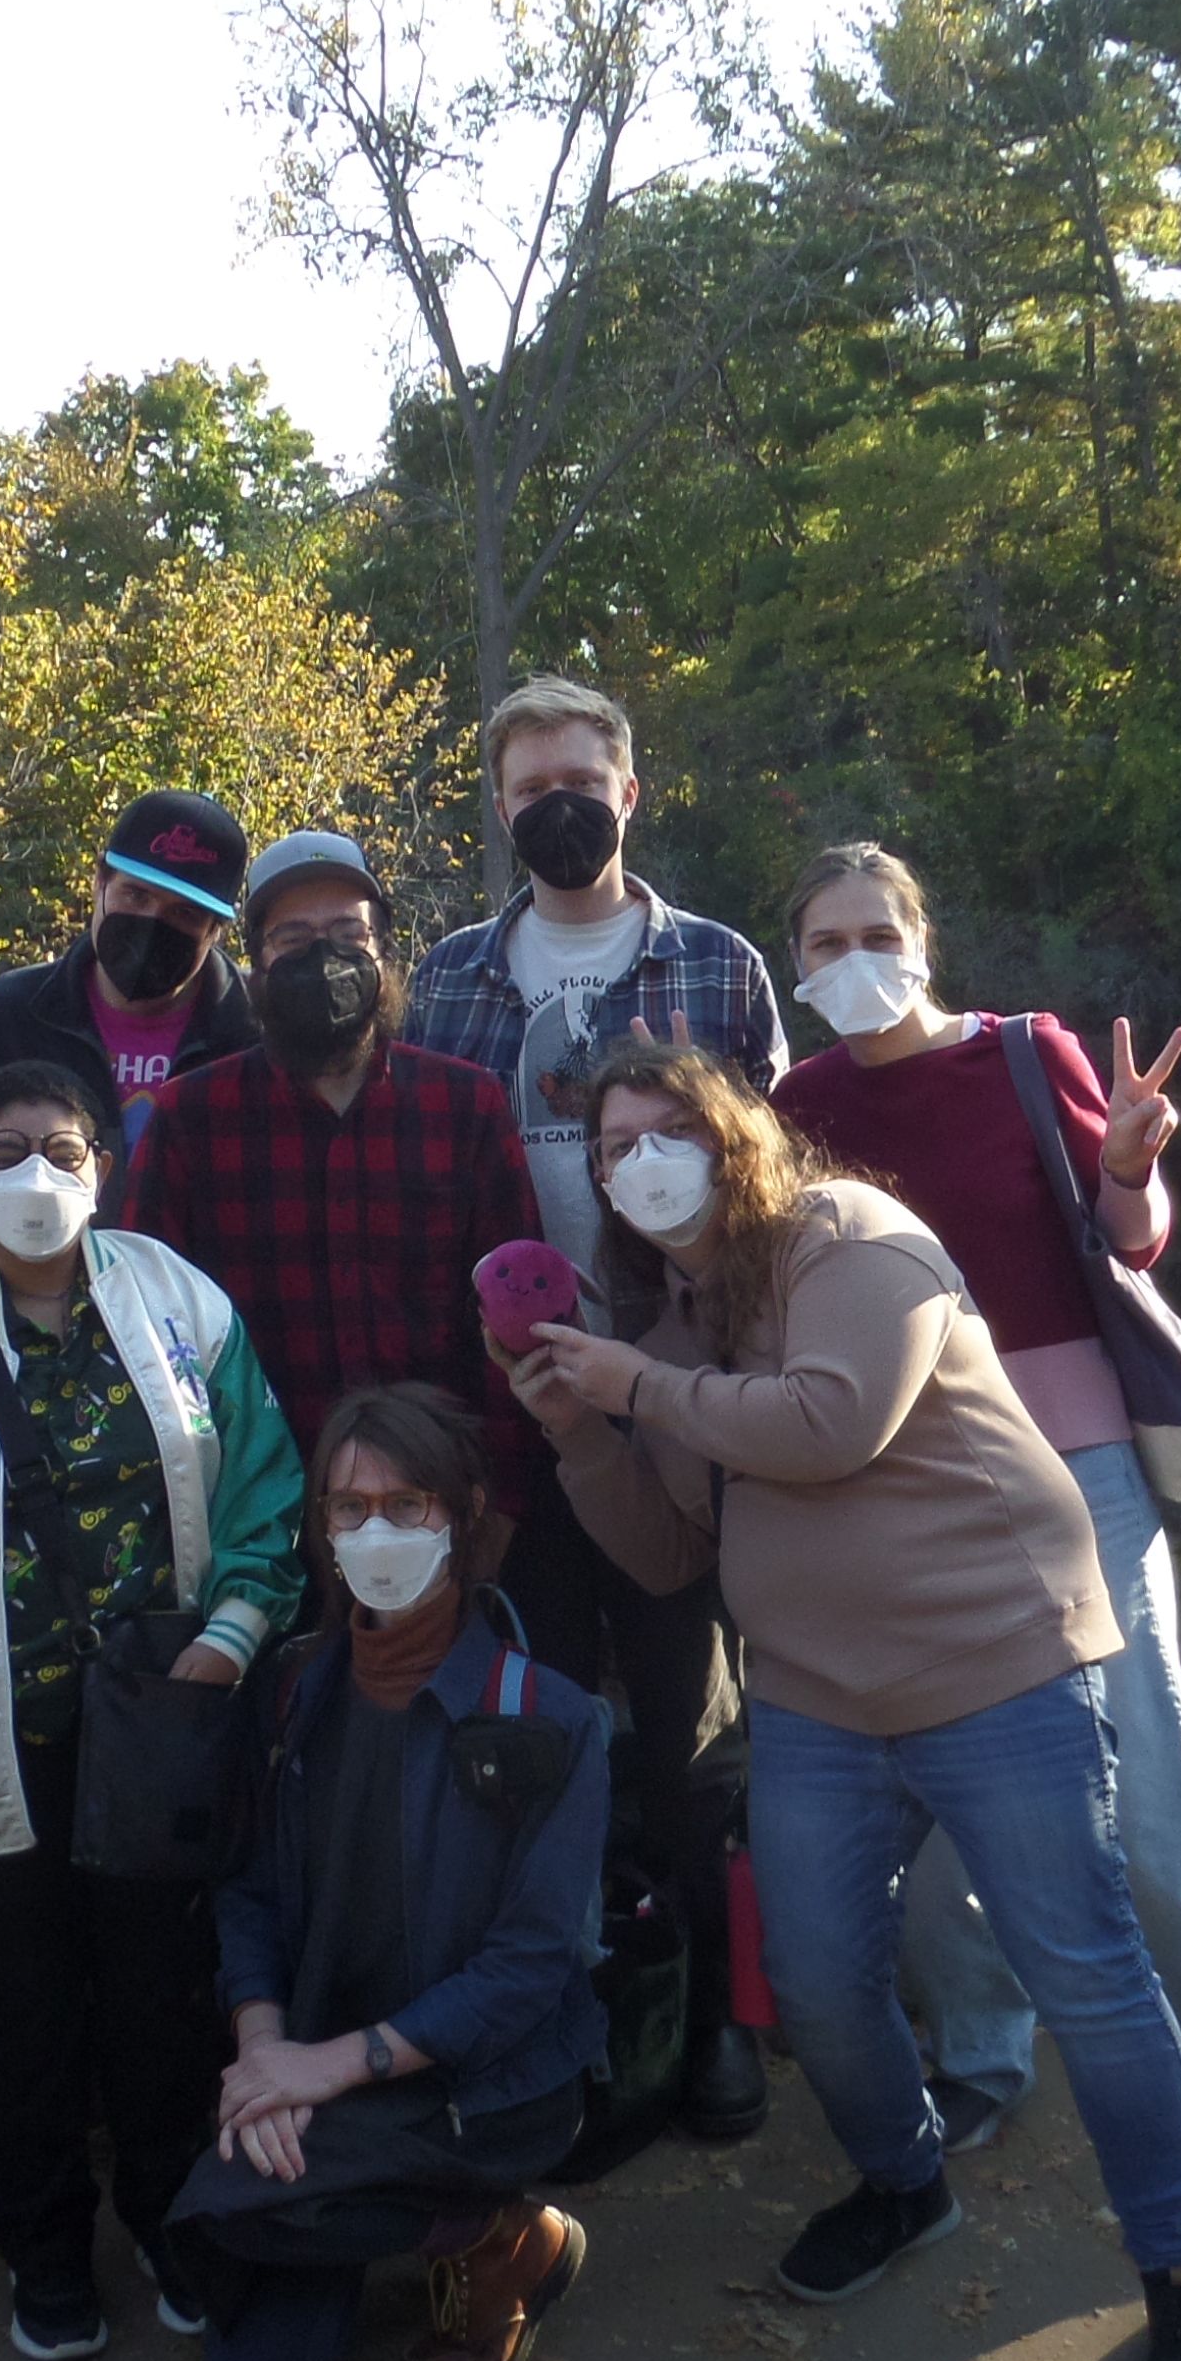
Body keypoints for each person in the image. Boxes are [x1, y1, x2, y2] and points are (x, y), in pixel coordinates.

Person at [503, 1037, 1181, 2361]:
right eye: (613, 1148)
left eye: (669, 1129)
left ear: (735, 1134)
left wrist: (636, 1393)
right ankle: (905, 2183)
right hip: (816, 1699)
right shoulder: (663, 1336)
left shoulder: (852, 1237)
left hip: (998, 1665)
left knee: (1086, 1972)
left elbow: (832, 1422)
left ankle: (1178, 2269)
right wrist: (583, 1437)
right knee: (821, 1975)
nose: (641, 1161)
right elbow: (668, 1554)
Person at [772, 841, 1181, 2202]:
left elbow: (1128, 1232)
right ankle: (984, 2053)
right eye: (821, 943)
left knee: (1148, 1805)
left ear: (922, 942)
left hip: (1074, 1469)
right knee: (935, 1807)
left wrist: (1137, 1165)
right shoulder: (797, 1105)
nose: (850, 961)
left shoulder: (1025, 1055)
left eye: (874, 933)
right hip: (902, 1489)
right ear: (794, 968)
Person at [0, 1059, 308, 2360]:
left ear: (105, 1166)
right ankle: (45, 2254)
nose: (41, 1174)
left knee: (159, 2001)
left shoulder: (181, 1303)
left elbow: (262, 1484)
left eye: (67, 1149)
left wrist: (237, 1634)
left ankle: (174, 2218)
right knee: (22, 2014)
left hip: (159, 1724)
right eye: (8, 1148)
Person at [405, 679, 790, 2141]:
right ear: (499, 809)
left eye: (580, 777)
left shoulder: (719, 966)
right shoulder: (447, 977)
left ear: (630, 793)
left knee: (694, 1737)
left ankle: (722, 2026)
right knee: (547, 1734)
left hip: (686, 1393)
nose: (554, 804)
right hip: (525, 1412)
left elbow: (773, 1183)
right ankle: (562, 2024)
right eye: (525, 787)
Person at [165, 1383, 610, 2361]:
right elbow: (252, 1895)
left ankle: (508, 2238)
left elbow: (529, 1966)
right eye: (348, 1506)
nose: (376, 1530)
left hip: (475, 2085)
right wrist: (267, 2051)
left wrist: (331, 2068)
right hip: (320, 2070)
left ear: (463, 1517)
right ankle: (404, 2222)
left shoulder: (548, 1716)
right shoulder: (291, 1692)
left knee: (218, 2210)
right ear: (319, 1527)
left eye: (406, 1506)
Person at [111, 830, 541, 1489]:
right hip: (256, 1508)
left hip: (445, 1501)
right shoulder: (188, 1121)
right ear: (254, 964)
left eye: (348, 933)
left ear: (385, 953)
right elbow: (147, 1331)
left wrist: (502, 1503)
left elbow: (515, 1323)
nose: (324, 957)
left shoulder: (466, 1107)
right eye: (292, 939)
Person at [0, 789, 259, 1256]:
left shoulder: (260, 1033)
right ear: (98, 882)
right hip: (25, 1319)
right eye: (135, 894)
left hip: (211, 1320)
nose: (151, 923)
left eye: (184, 913)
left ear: (216, 929)